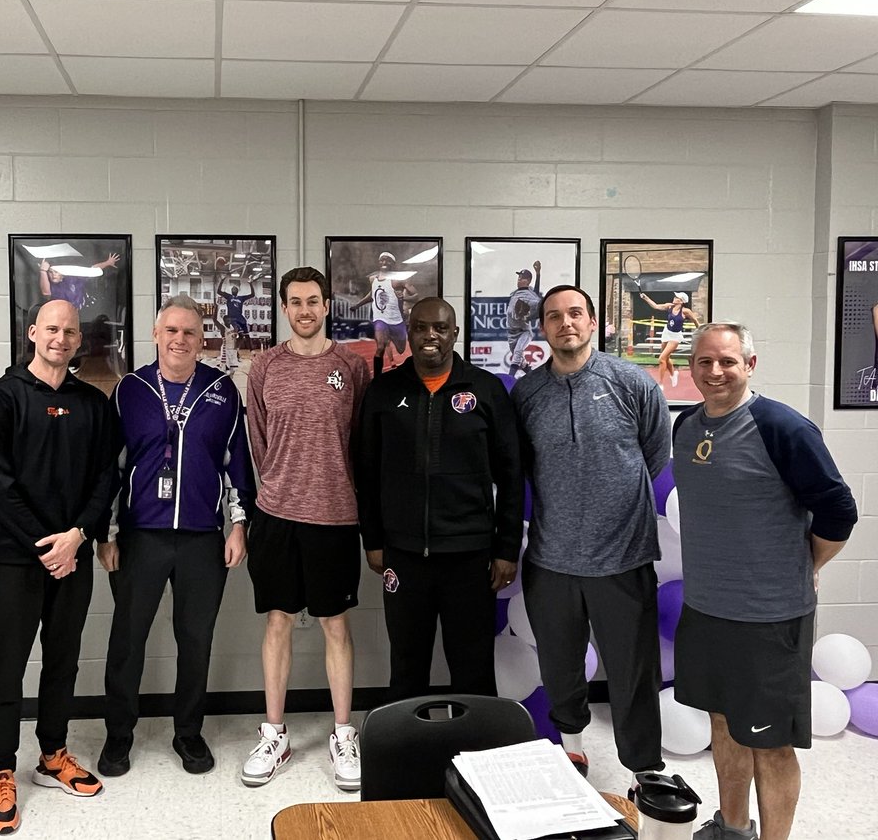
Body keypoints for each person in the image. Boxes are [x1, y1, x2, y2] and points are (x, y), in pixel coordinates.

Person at [672, 322, 857, 840]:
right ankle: (733, 828)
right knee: (723, 726)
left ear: (749, 365)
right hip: (706, 609)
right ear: (692, 368)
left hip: (768, 617)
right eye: (704, 362)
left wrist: (808, 566)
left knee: (770, 743)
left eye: (728, 361)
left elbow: (840, 510)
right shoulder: (685, 427)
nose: (715, 372)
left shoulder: (783, 428)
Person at [511, 285, 669, 780]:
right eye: (554, 316)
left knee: (632, 674)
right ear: (543, 327)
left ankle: (644, 770)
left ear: (594, 321)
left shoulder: (631, 382)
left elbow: (654, 453)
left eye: (575, 313)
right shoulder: (528, 393)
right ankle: (573, 751)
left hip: (622, 559)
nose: (566, 323)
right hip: (552, 559)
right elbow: (526, 466)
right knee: (560, 669)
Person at [0, 300, 117, 834]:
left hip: (73, 556)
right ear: (33, 332)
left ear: (80, 340)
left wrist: (77, 536)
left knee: (63, 659)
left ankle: (53, 754)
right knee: (8, 664)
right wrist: (45, 544)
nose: (61, 338)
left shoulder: (93, 404)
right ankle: (1, 769)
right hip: (16, 559)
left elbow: (107, 478)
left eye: (71, 331)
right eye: (52, 328)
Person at [97, 295, 255, 778]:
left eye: (190, 332)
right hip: (141, 536)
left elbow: (237, 466)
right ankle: (118, 735)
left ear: (201, 339)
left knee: (196, 639)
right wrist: (107, 533)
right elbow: (110, 467)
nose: (181, 340)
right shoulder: (130, 389)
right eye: (172, 331)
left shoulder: (223, 391)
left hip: (203, 538)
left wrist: (239, 525)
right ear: (156, 334)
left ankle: (188, 732)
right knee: (127, 639)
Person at [241, 267, 371, 791]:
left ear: (326, 305)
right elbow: (257, 440)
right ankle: (275, 733)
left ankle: (344, 733)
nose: (305, 310)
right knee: (277, 621)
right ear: (284, 307)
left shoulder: (352, 368)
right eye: (295, 302)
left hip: (336, 517)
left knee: (335, 625)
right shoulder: (266, 365)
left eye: (313, 301)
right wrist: (275, 486)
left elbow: (363, 439)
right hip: (276, 515)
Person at [356, 298, 523, 703]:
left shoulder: (485, 390)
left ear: (455, 333)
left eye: (441, 328)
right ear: (408, 333)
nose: (431, 335)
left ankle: (477, 758)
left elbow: (512, 474)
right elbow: (365, 470)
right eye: (421, 327)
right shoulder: (383, 391)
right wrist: (373, 539)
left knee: (472, 666)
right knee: (407, 666)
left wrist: (506, 548)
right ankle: (409, 757)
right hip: (403, 553)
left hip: (470, 555)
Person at [639, 291, 700, 388]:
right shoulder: (669, 306)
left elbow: (695, 321)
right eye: (675, 297)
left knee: (662, 358)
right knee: (666, 358)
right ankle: (673, 374)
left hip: (676, 336)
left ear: (681, 301)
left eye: (677, 298)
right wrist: (645, 298)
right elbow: (656, 306)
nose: (675, 298)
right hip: (666, 333)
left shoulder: (685, 311)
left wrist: (700, 332)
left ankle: (660, 383)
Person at [369, 251, 411, 375]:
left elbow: (413, 295)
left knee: (401, 349)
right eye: (382, 259)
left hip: (396, 319)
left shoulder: (398, 281)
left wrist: (404, 299)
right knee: (381, 346)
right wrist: (357, 305)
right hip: (381, 318)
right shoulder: (373, 280)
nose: (384, 262)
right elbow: (371, 294)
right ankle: (378, 377)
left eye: (387, 260)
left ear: (393, 264)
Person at [38, 253, 120, 308]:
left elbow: (91, 270)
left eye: (56, 272)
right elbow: (46, 293)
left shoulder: (73, 279)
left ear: (62, 272)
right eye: (50, 272)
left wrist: (108, 262)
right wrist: (43, 271)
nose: (54, 275)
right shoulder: (50, 285)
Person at [507, 261, 543, 379]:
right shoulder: (515, 293)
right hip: (512, 333)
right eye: (519, 277)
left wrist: (538, 274)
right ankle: (534, 377)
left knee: (517, 353)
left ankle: (510, 378)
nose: (519, 279)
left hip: (524, 331)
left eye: (521, 278)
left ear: (528, 281)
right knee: (521, 362)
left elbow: (538, 302)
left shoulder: (529, 294)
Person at [218, 277, 256, 352]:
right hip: (232, 318)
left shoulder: (241, 298)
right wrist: (222, 280)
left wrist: (251, 284)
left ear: (237, 291)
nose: (234, 289)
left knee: (246, 335)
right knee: (236, 334)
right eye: (232, 288)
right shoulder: (228, 296)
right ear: (231, 291)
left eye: (235, 288)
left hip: (240, 318)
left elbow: (252, 295)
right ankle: (234, 349)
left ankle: (250, 349)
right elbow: (219, 291)